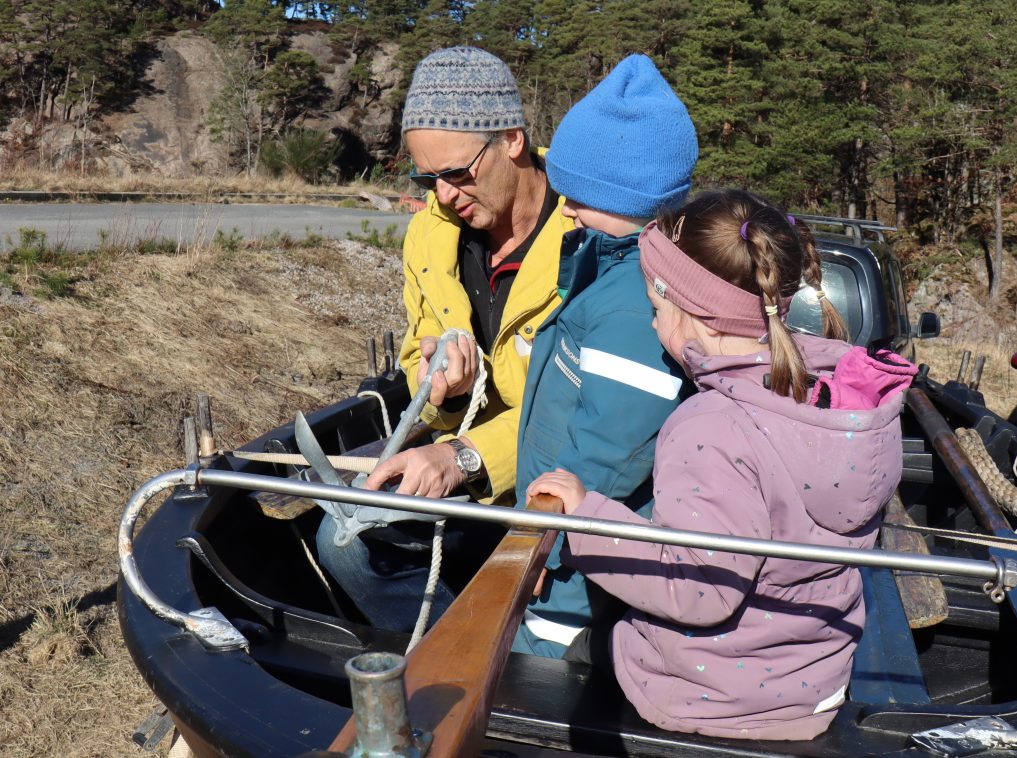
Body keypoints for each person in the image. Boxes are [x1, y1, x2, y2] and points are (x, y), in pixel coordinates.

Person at [528, 189, 916, 740]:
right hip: (810, 687)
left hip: (704, 697)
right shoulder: (843, 401)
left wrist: (584, 518)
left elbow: (698, 587)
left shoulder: (710, 424)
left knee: (567, 650)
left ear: (695, 312)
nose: (656, 329)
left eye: (657, 311)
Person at [316, 46, 573, 633]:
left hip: (560, 476)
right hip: (461, 458)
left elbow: (587, 410)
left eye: (458, 174)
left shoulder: (589, 228)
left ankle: (504, 669)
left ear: (512, 138)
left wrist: (464, 456)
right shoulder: (431, 236)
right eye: (426, 178)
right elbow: (415, 354)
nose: (444, 196)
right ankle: (451, 653)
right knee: (344, 536)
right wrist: (443, 388)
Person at [511, 54, 698, 659]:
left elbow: (611, 448)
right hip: (560, 532)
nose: (563, 208)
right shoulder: (610, 259)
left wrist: (540, 544)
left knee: (531, 690)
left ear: (629, 200)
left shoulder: (632, 306)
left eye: (580, 196)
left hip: (573, 572)